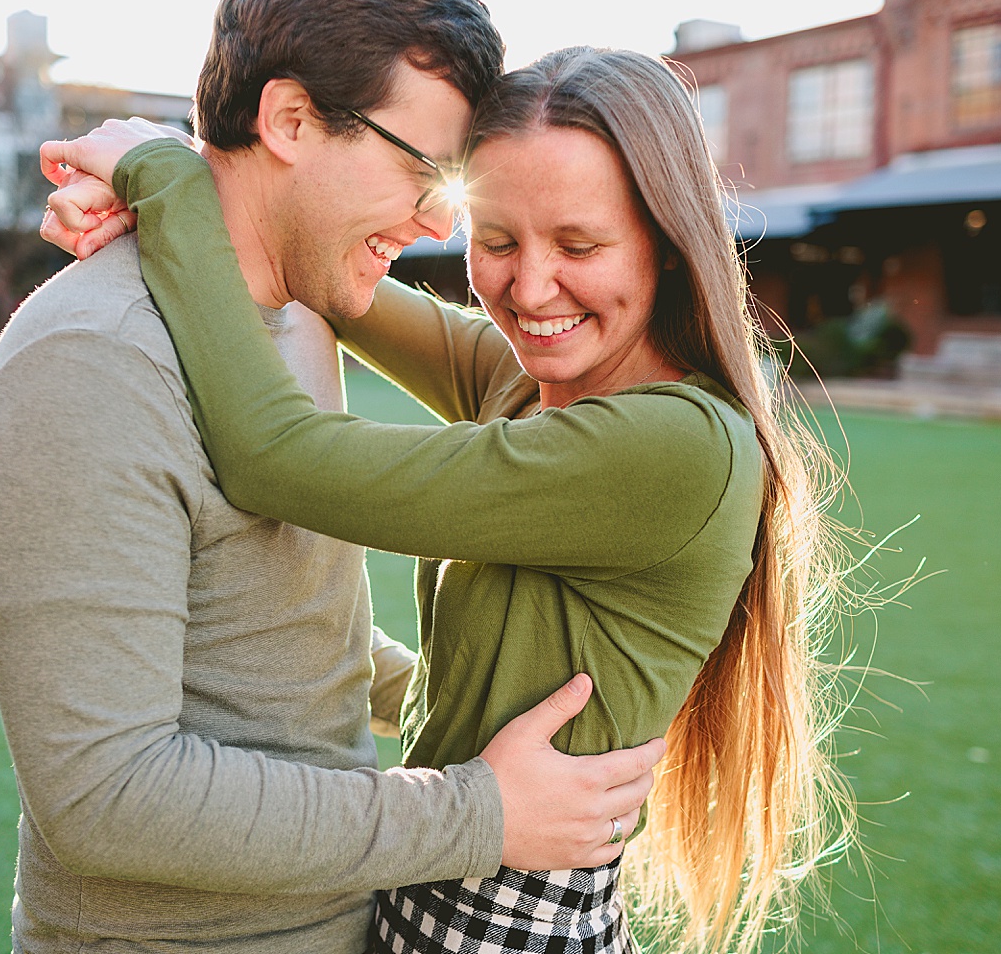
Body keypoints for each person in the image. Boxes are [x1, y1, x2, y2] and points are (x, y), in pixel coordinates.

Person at [41, 46, 852, 954]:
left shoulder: (674, 448)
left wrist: (160, 181)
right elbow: (321, 267)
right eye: (496, 241)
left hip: (503, 926)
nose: (529, 288)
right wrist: (194, 177)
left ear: (667, 243)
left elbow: (276, 460)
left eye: (579, 246)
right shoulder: (544, 386)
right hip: (437, 891)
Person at [0, 0, 665, 954]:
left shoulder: (301, 316)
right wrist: (476, 812)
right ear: (290, 120)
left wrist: (452, 705)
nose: (435, 221)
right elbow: (104, 795)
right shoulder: (95, 356)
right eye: (421, 169)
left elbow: (282, 624)